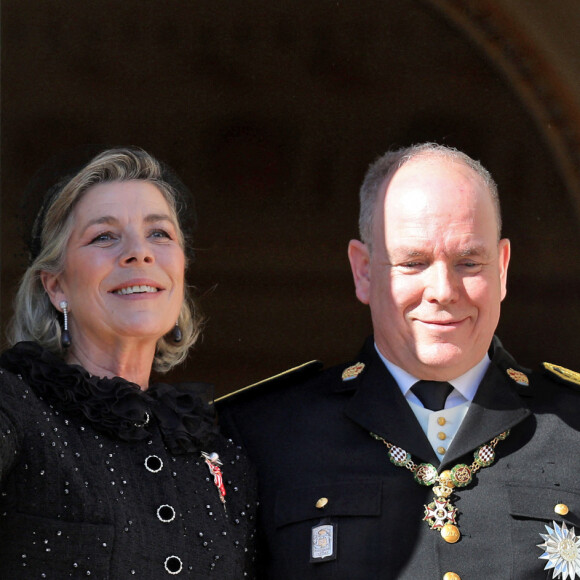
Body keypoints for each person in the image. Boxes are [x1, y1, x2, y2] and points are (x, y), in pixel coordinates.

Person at [218, 142, 580, 580]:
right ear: (364, 271)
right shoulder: (262, 434)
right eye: (414, 262)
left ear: (501, 268)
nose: (443, 290)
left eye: (468, 261)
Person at [0, 147, 257, 578]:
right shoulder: (14, 407)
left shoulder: (222, 453)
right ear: (56, 286)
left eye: (160, 234)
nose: (139, 253)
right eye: (104, 236)